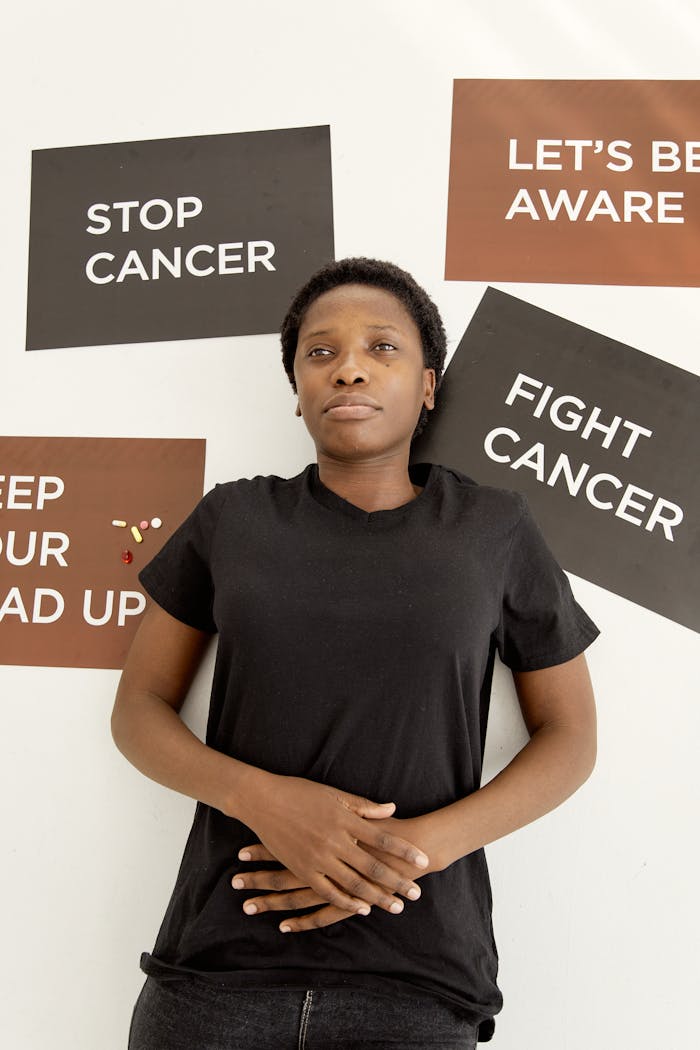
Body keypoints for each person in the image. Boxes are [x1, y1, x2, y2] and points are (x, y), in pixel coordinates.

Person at [112, 258, 599, 1050]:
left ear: (429, 385)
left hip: (414, 981)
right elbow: (138, 711)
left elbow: (571, 737)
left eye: (382, 347)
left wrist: (406, 853)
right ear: (298, 387)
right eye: (320, 353)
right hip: (216, 977)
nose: (349, 369)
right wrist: (262, 800)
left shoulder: (494, 528)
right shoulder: (233, 518)